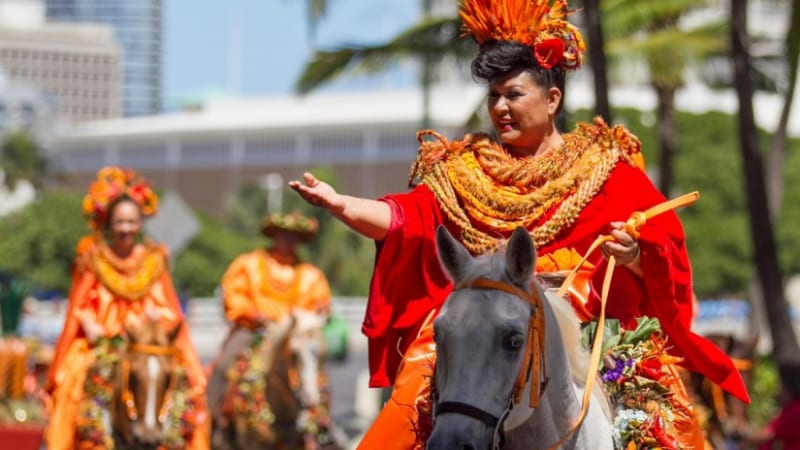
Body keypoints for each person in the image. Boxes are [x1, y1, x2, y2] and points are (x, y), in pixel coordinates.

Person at [290, 0, 750, 448]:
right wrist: (341, 204)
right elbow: (405, 219)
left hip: (589, 332)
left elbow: (661, 244)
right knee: (414, 391)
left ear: (552, 99)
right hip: (488, 329)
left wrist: (633, 254)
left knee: (665, 409)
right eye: (493, 97)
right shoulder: (461, 172)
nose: (500, 108)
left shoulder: (604, 168)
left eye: (513, 95)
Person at [45, 166, 209, 450]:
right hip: (104, 343)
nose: (126, 228)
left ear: (141, 223)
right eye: (120, 222)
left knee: (185, 382)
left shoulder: (154, 260)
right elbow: (78, 307)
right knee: (73, 380)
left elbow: (171, 310)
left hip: (146, 342)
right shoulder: (93, 259)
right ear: (109, 224)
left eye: (132, 222)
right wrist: (88, 323)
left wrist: (157, 319)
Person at [206, 210, 332, 444]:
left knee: (316, 373)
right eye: (283, 234)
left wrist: (312, 315)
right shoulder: (249, 263)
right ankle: (213, 426)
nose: (288, 240)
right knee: (224, 367)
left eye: (293, 236)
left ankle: (320, 428)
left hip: (294, 335)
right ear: (274, 234)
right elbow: (233, 297)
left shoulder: (310, 274)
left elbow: (320, 304)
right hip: (253, 329)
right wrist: (254, 315)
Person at [746, 364, 800, 450]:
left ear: (790, 390)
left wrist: (744, 440)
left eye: (782, 389)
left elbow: (766, 434)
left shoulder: (794, 411)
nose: (779, 393)